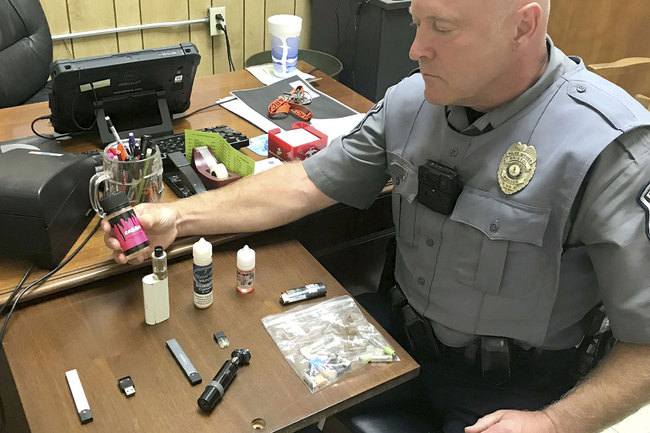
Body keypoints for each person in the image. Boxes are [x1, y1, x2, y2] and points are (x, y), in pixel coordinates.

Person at [105, 0, 650, 431]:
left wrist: (556, 424)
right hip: (397, 337)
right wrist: (179, 220)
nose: (416, 48)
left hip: (517, 393)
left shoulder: (610, 148)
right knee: (242, 390)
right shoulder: (415, 101)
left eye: (442, 27)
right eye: (416, 22)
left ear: (522, 26)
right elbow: (304, 182)